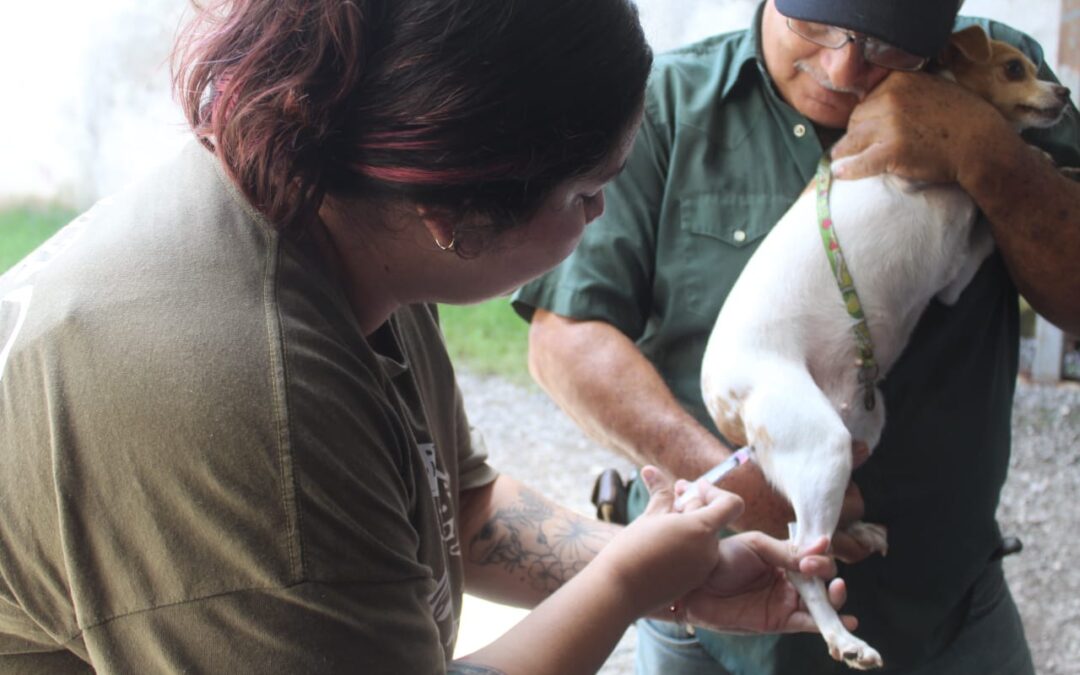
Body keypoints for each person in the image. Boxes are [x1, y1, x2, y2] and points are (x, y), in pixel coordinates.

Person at [0, 0, 859, 673]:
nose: (600, 219)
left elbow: (465, 507)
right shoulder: (250, 403)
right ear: (451, 209)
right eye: (586, 192)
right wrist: (625, 582)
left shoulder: (340, 202)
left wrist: (667, 567)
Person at [514, 0, 1080, 672]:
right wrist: (742, 485)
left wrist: (988, 154)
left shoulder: (992, 68)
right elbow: (566, 340)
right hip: (705, 617)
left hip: (949, 608)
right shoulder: (667, 100)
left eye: (884, 44)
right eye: (816, 27)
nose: (845, 66)